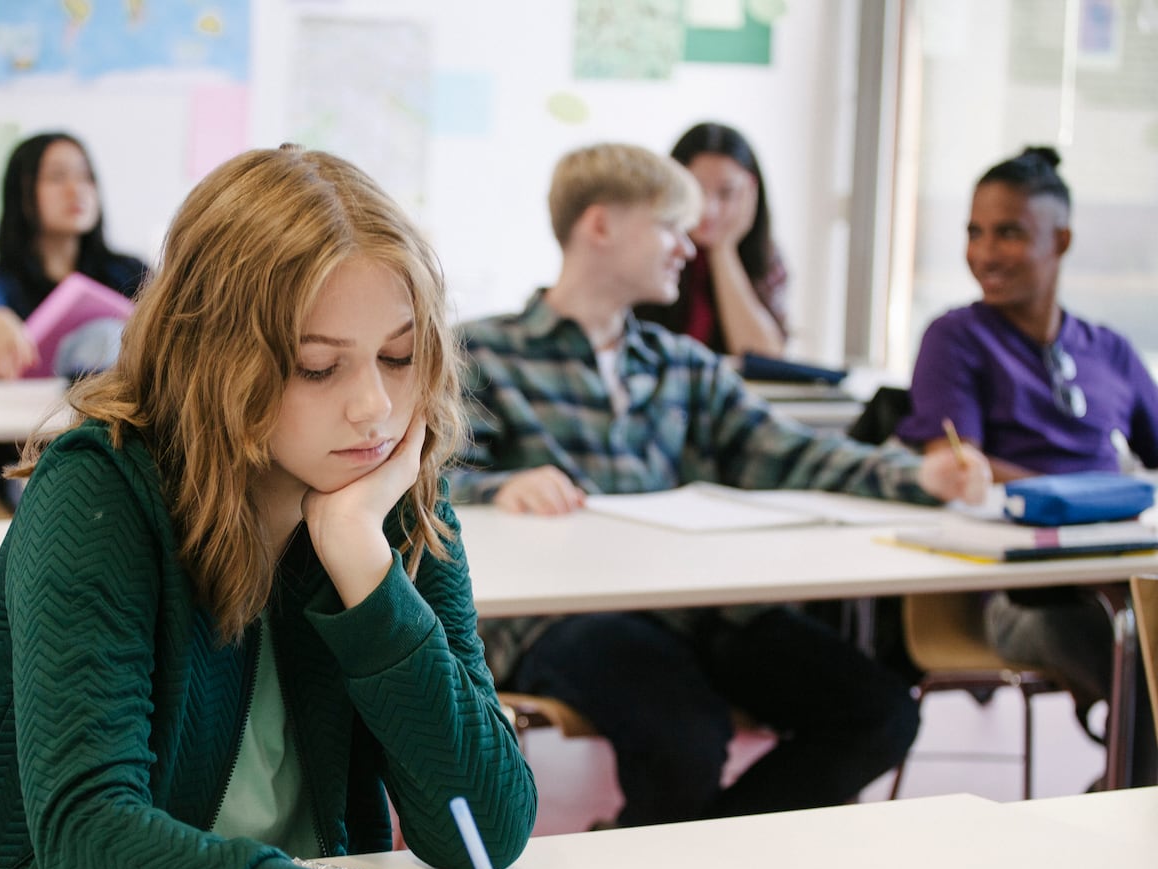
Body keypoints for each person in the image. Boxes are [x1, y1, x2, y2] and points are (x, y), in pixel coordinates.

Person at [0, 145, 537, 869]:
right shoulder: (102, 490)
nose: (374, 408)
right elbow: (89, 839)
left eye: (399, 356)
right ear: (219, 357)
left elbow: (486, 827)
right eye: (318, 366)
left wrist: (365, 567)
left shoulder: (388, 497)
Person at [449, 142, 990, 828]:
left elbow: (790, 453)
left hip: (693, 606)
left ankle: (677, 860)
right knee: (683, 736)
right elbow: (421, 484)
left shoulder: (682, 364)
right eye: (670, 226)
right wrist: (498, 489)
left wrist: (920, 476)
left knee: (878, 713)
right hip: (563, 622)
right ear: (601, 225)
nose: (688, 247)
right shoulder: (480, 352)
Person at [897, 146, 1158, 785]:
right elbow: (957, 466)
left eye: (1009, 233)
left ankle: (1117, 805)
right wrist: (1097, 492)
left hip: (1123, 578)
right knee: (1143, 666)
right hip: (1022, 595)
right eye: (974, 232)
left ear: (1060, 240)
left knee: (1144, 644)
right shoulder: (955, 339)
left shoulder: (1109, 350)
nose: (984, 253)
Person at [0, 131, 150, 380]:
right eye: (57, 177)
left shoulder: (130, 271)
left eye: (86, 177)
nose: (76, 190)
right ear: (22, 193)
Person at [634, 121, 787, 358]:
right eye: (696, 189)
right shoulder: (649, 246)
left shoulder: (764, 256)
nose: (709, 209)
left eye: (726, 193)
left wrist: (723, 250)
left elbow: (765, 357)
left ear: (750, 193)